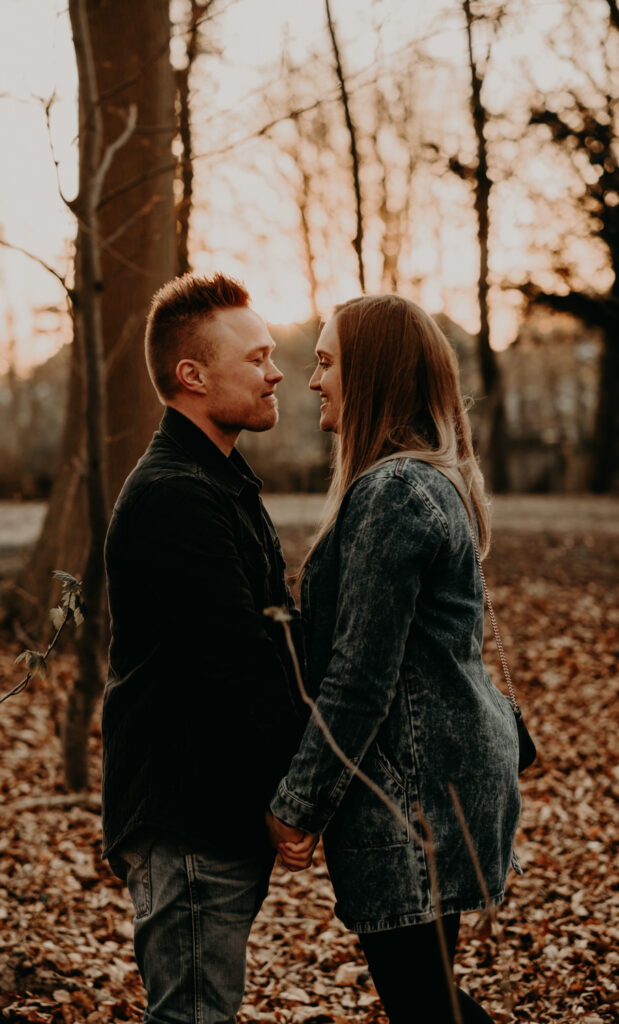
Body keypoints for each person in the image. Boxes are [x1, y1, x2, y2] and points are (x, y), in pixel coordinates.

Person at [266, 294, 521, 1023]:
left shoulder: (395, 491)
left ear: (372, 372)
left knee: (422, 1005)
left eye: (326, 363)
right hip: (437, 780)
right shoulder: (422, 479)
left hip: (413, 796)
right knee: (426, 997)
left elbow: (360, 676)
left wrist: (298, 806)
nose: (313, 380)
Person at [102, 272, 306, 1024]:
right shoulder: (176, 495)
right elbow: (240, 665)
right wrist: (298, 797)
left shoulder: (218, 481)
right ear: (192, 375)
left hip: (214, 810)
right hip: (186, 818)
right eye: (256, 358)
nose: (275, 372)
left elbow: (274, 638)